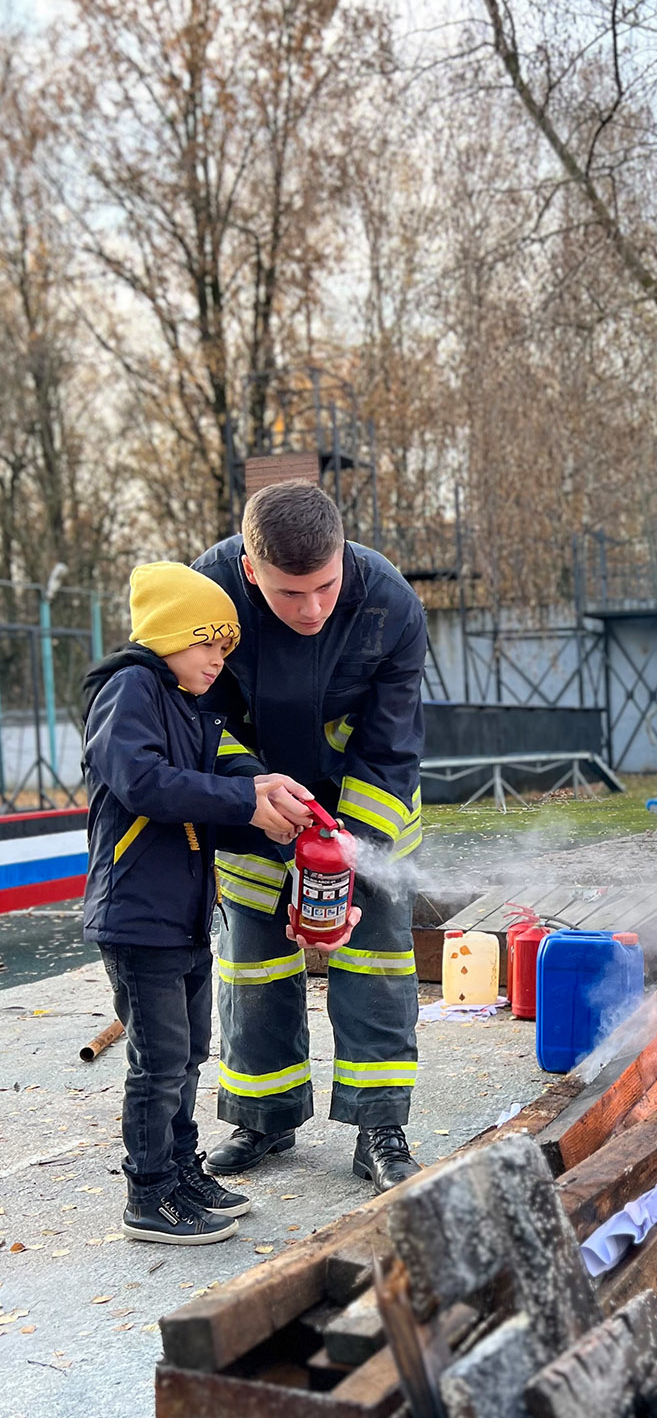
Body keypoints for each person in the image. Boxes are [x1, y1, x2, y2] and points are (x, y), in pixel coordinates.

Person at [194, 480, 427, 1193]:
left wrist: (340, 865)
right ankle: (264, 1116)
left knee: (377, 960)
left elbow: (389, 751)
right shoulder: (204, 598)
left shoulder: (391, 605)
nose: (313, 608)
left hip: (361, 810)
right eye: (290, 594)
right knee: (253, 964)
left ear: (342, 554)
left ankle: (380, 1125)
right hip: (257, 805)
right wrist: (252, 794)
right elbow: (196, 722)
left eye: (325, 586)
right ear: (249, 570)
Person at [82, 562, 312, 1244]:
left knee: (185, 1056)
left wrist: (262, 797)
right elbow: (145, 783)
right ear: (166, 634)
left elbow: (210, 784)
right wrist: (244, 799)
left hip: (181, 917)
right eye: (207, 641)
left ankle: (182, 1172)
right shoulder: (129, 689)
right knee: (157, 1063)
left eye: (225, 644)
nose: (219, 657)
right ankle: (148, 1196)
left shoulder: (187, 705)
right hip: (136, 918)